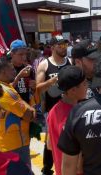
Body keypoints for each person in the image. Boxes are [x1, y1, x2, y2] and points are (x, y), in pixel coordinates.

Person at [36, 35, 71, 175]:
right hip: (52, 109)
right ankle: (47, 168)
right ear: (52, 47)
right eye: (60, 45)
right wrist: (53, 80)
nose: (63, 48)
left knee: (70, 138)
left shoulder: (70, 62)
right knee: (50, 141)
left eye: (65, 45)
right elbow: (38, 88)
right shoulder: (44, 64)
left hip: (69, 107)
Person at [0, 58, 36, 166]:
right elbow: (29, 116)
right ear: (3, 72)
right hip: (16, 144)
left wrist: (19, 77)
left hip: (4, 141)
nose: (14, 71)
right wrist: (31, 108)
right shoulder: (7, 93)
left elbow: (12, 86)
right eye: (11, 69)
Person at [47, 66, 87, 175]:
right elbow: (78, 166)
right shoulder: (76, 115)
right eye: (84, 84)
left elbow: (49, 145)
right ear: (73, 90)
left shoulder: (53, 111)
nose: (87, 86)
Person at [9, 39, 36, 104]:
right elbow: (5, 91)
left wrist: (34, 87)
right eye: (20, 54)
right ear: (12, 54)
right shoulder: (7, 69)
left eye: (25, 54)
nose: (24, 57)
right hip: (12, 108)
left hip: (26, 106)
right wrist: (19, 76)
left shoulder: (28, 68)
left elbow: (33, 92)